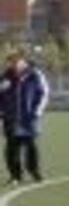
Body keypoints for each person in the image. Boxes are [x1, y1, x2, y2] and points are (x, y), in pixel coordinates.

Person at [0, 51, 49, 185]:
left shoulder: (35, 75)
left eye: (15, 63)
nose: (12, 66)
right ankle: (15, 176)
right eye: (10, 63)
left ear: (22, 62)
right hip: (10, 119)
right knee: (11, 149)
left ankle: (34, 172)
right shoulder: (5, 76)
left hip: (29, 119)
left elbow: (43, 93)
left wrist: (37, 111)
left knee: (31, 147)